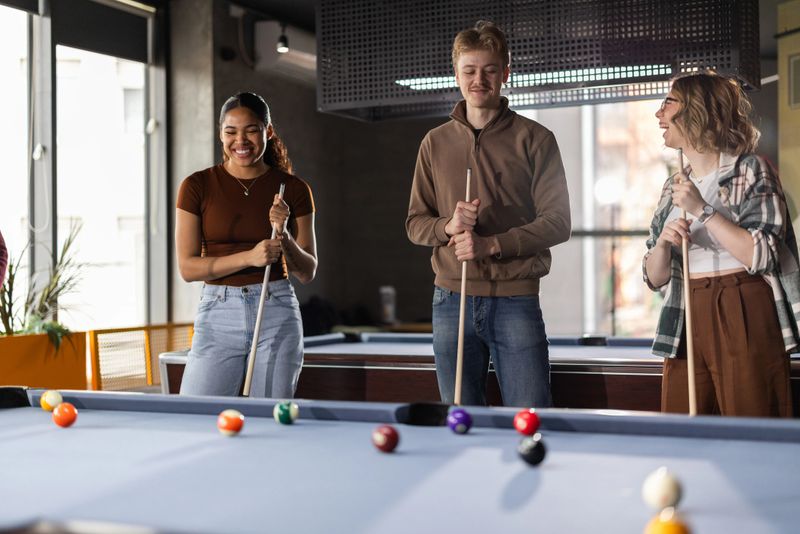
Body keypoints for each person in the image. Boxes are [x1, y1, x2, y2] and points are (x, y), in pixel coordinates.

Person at [405, 21, 571, 408]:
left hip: (516, 299)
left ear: (505, 73)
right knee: (460, 422)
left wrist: (491, 244)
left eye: (489, 70)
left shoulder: (536, 139)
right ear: (457, 73)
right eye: (469, 70)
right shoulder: (434, 142)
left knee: (530, 420)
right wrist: (448, 226)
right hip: (450, 300)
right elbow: (414, 224)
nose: (479, 79)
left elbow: (559, 221)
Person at [643, 71, 800, 417]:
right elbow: (654, 278)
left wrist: (703, 210)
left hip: (743, 303)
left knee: (754, 424)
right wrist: (664, 247)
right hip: (686, 313)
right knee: (683, 428)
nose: (658, 114)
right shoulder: (674, 185)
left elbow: (761, 255)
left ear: (698, 109)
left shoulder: (751, 170)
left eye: (668, 102)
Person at [176, 92, 317, 398]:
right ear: (220, 135)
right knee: (195, 415)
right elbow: (188, 268)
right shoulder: (197, 186)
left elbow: (307, 271)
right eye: (230, 132)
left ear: (267, 131)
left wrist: (284, 236)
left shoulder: (293, 189)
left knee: (267, 423)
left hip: (275, 310)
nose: (241, 140)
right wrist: (250, 258)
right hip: (217, 312)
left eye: (251, 130)